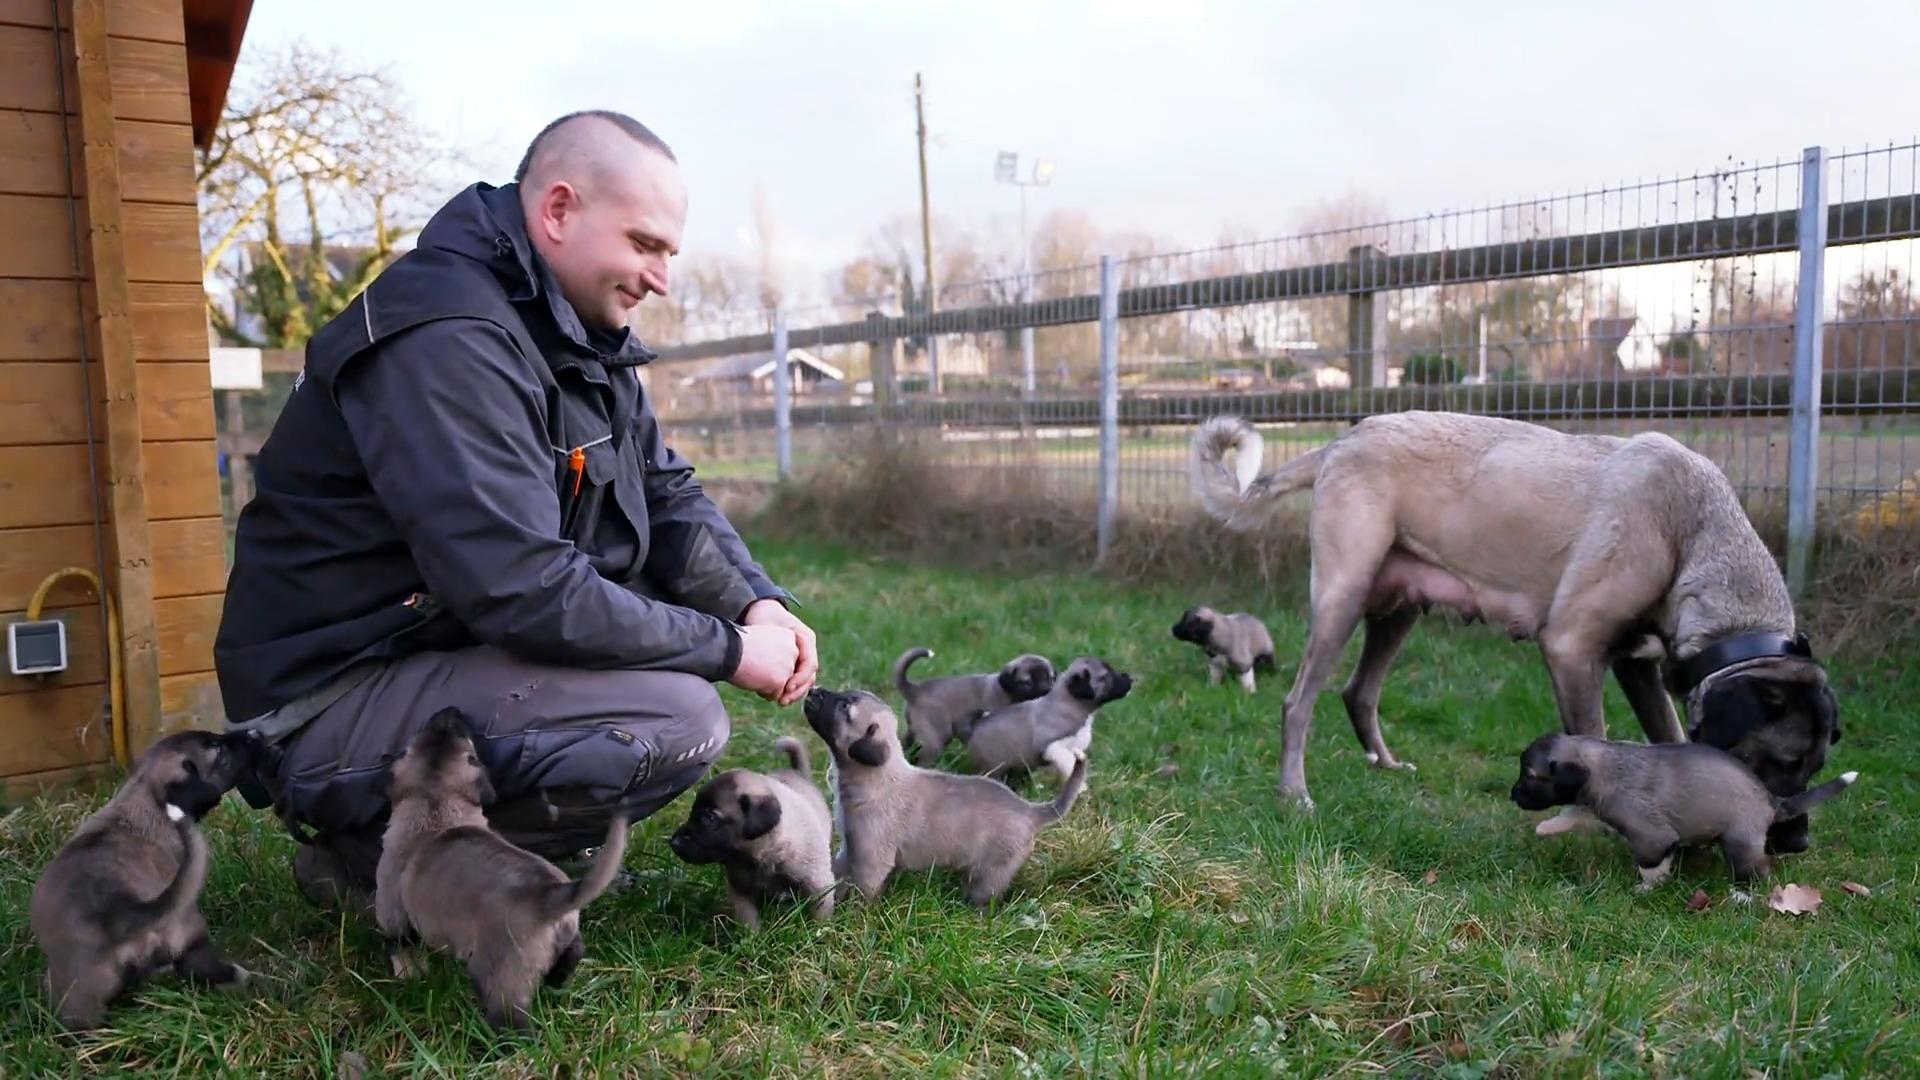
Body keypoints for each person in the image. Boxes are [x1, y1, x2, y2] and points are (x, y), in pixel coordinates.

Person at [213, 110, 817, 910]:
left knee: (666, 658)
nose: (662, 278)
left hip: (432, 649)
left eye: (669, 252)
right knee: (673, 714)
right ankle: (385, 868)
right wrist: (730, 649)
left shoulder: (571, 329)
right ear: (559, 211)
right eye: (644, 245)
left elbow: (664, 489)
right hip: (333, 694)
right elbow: (521, 587)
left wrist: (754, 601)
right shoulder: (448, 339)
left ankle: (453, 854)